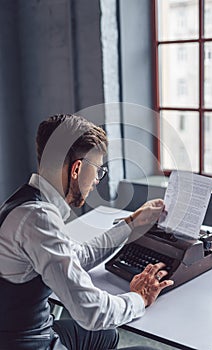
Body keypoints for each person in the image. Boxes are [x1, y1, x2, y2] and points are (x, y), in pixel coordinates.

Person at [0, 114, 174, 350]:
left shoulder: (28, 204)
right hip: (28, 344)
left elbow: (77, 257)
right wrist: (140, 298)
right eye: (99, 171)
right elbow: (92, 312)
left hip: (29, 330)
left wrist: (132, 222)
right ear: (77, 169)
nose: (96, 181)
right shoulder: (38, 220)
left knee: (107, 336)